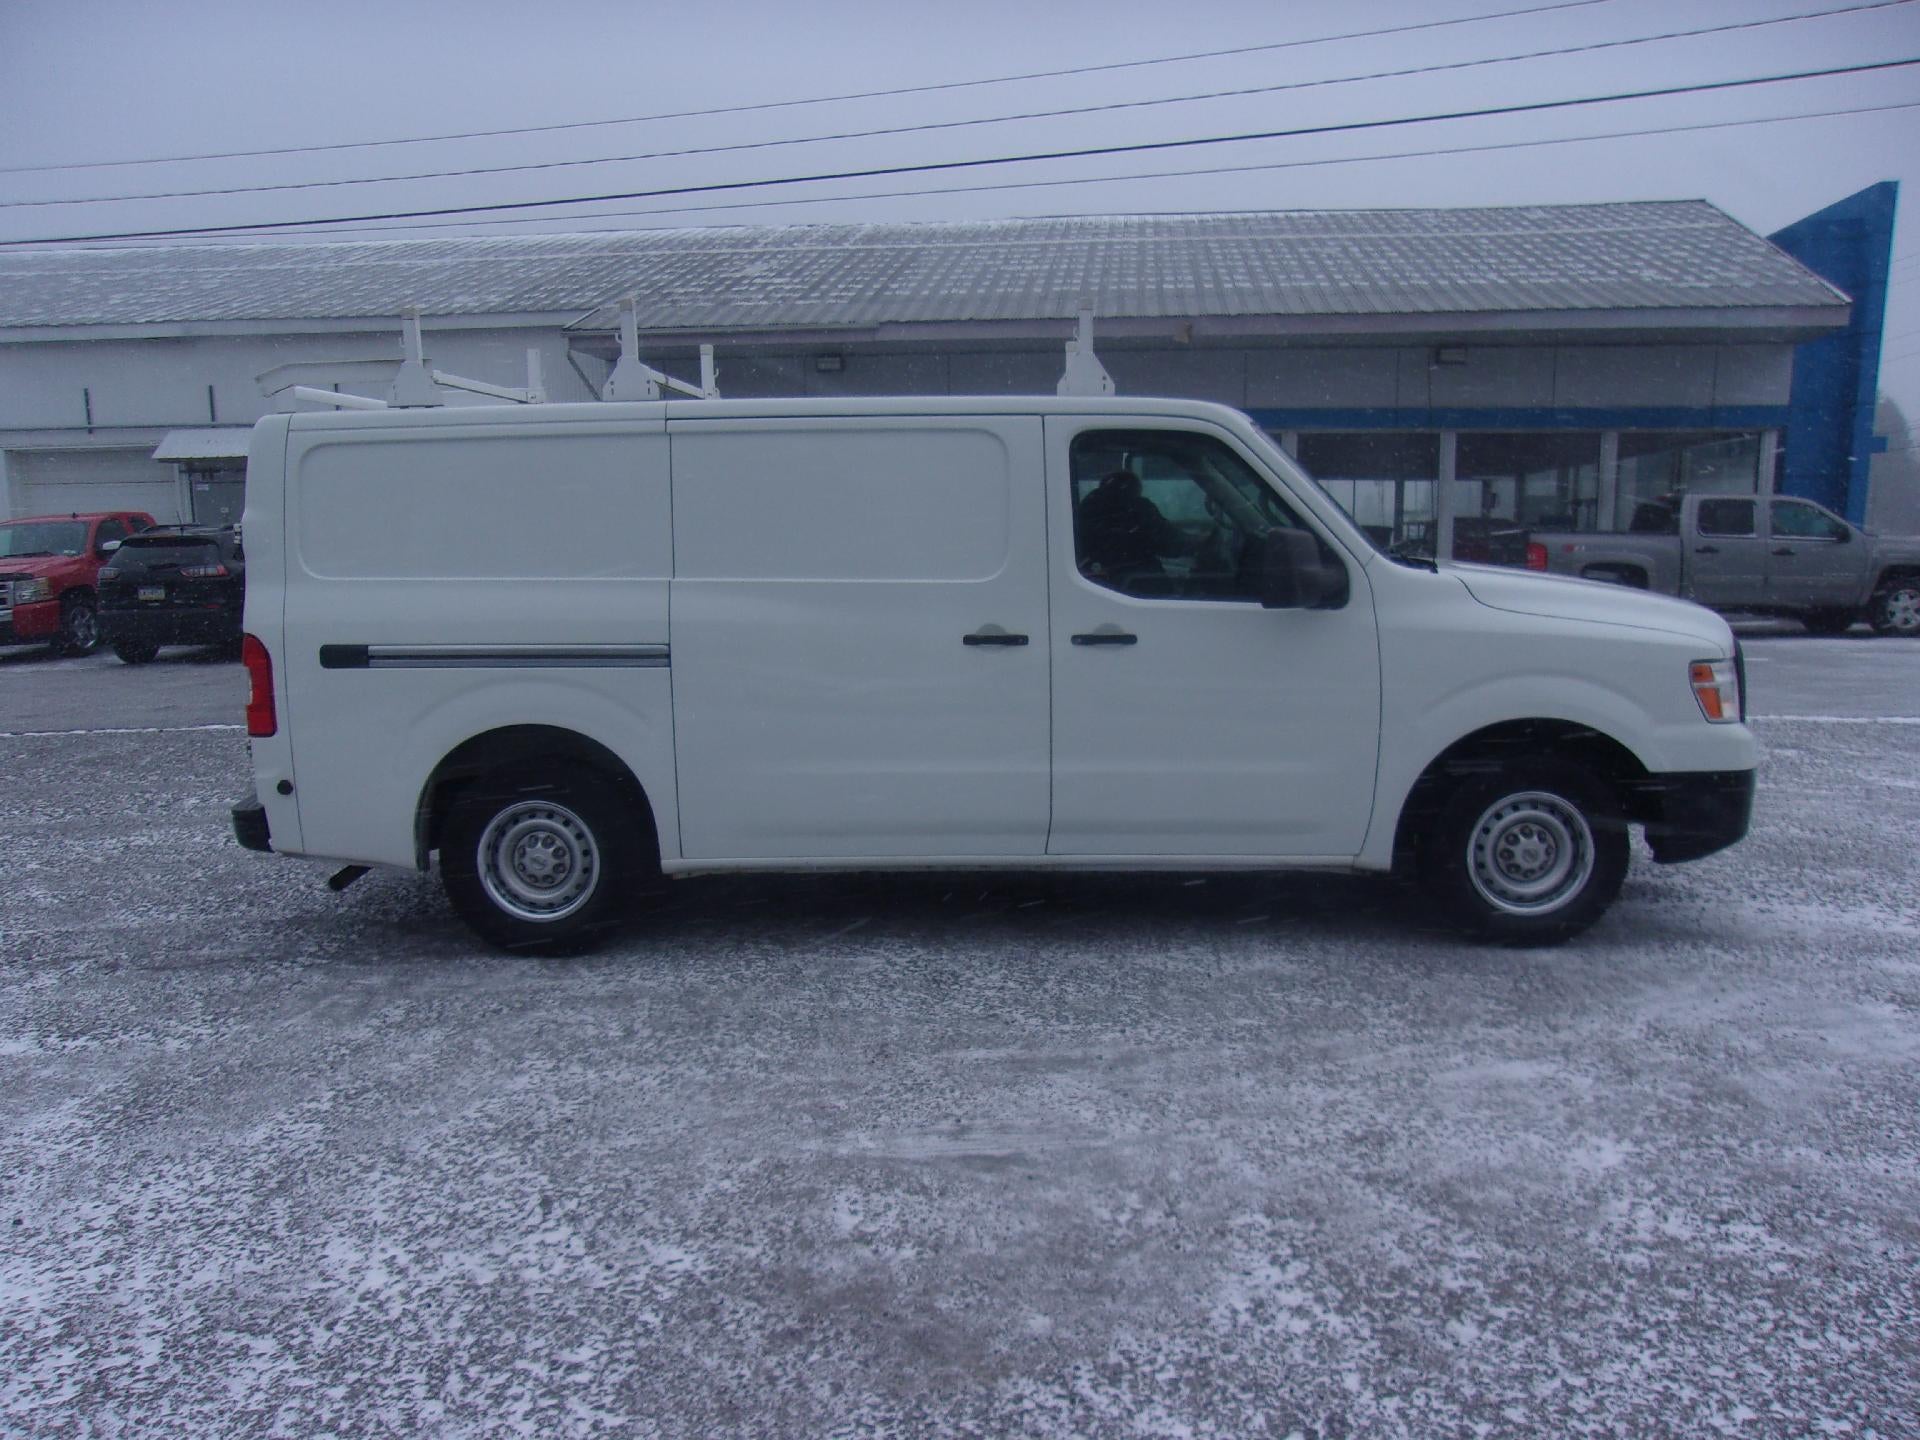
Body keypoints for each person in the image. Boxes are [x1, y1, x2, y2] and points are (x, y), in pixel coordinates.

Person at [1076, 469, 1188, 585]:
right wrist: (1194, 544)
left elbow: (1168, 540)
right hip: (1132, 580)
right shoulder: (1140, 510)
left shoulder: (1086, 511)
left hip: (1096, 580)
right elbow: (1168, 543)